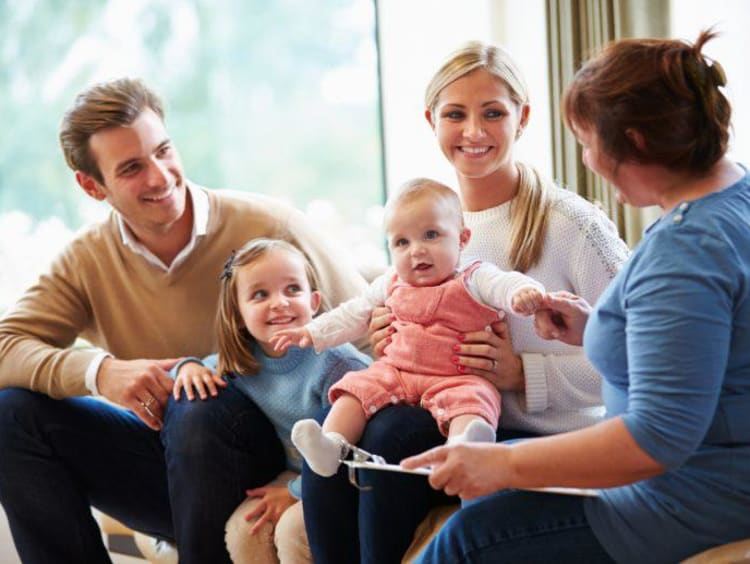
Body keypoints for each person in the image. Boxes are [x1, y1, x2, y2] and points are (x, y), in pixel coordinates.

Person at [402, 29, 750, 563]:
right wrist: (597, 327)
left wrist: (502, 466)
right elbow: (708, 344)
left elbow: (656, 439)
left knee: (466, 540)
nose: (586, 159)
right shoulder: (730, 195)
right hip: (709, 471)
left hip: (687, 496)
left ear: (632, 142)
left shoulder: (686, 249)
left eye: (587, 142)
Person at [0, 78, 368, 564]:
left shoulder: (270, 227)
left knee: (195, 404)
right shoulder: (87, 261)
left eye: (164, 151)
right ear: (92, 186)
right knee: (9, 416)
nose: (159, 176)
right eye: (131, 168)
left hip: (274, 460)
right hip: (166, 469)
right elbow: (7, 345)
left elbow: (374, 320)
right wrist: (100, 373)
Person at [301, 41, 630, 563]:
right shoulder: (422, 222)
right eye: (455, 114)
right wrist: (388, 336)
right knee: (339, 435)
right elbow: (393, 324)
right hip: (444, 410)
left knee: (389, 435)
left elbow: (639, 361)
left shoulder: (574, 227)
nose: (473, 132)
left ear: (522, 118)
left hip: (536, 436)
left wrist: (524, 372)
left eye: (493, 113)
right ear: (431, 120)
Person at [271, 179, 544, 478]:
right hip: (396, 372)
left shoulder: (475, 277)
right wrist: (311, 332)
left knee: (476, 399)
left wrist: (523, 293)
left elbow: (506, 284)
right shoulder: (390, 281)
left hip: (456, 378)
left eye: (431, 235)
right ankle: (332, 445)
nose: (417, 251)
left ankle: (465, 447)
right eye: (402, 242)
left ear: (462, 239)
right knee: (355, 389)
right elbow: (354, 313)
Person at [171, 238, 370, 563]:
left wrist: (295, 493)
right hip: (293, 472)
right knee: (244, 529)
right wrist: (186, 368)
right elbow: (198, 371)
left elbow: (359, 451)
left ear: (314, 301)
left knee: (293, 529)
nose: (279, 303)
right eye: (260, 295)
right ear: (238, 313)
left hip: (342, 475)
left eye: (292, 289)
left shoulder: (337, 363)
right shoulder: (243, 360)